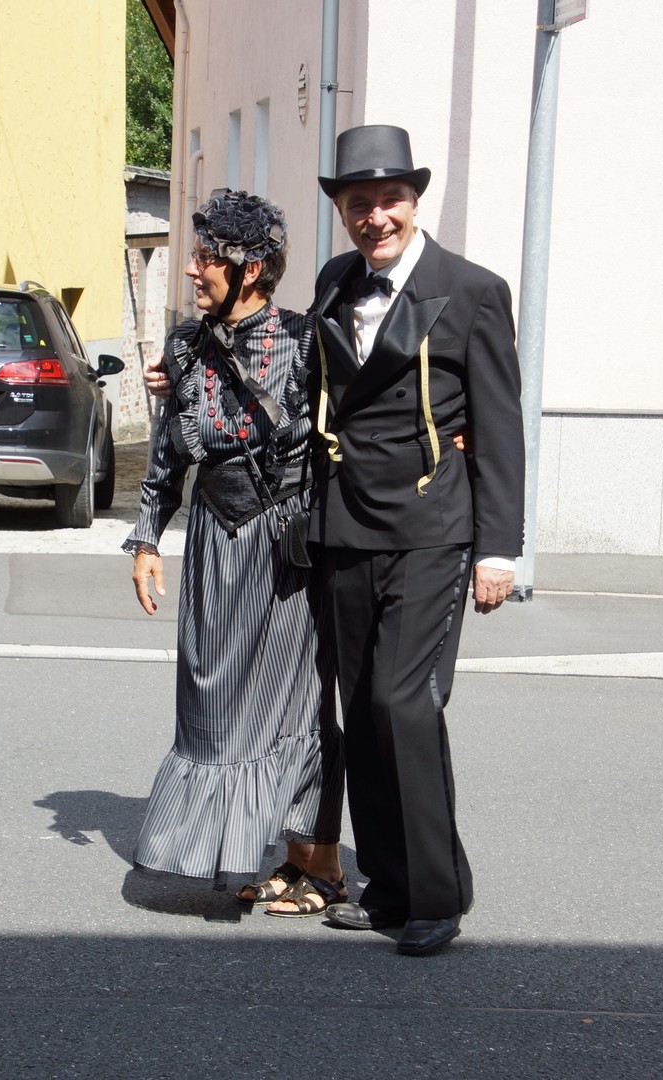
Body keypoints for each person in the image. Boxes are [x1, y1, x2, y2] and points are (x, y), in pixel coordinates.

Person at [311, 125, 525, 955]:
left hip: (433, 526)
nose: (376, 217)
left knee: (406, 703)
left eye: (389, 200)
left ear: (414, 201)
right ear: (342, 211)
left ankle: (437, 895)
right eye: (358, 204)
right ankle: (390, 886)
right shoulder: (335, 282)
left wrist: (498, 548)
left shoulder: (471, 290)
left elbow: (499, 424)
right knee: (363, 708)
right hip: (347, 522)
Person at [125, 189, 345, 917]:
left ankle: (316, 863)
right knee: (212, 702)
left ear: (249, 269)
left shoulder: (307, 342)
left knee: (294, 705)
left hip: (286, 552)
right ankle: (240, 850)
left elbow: (350, 432)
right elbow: (168, 451)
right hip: (214, 546)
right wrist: (148, 537)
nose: (192, 269)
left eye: (205, 258)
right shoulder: (186, 346)